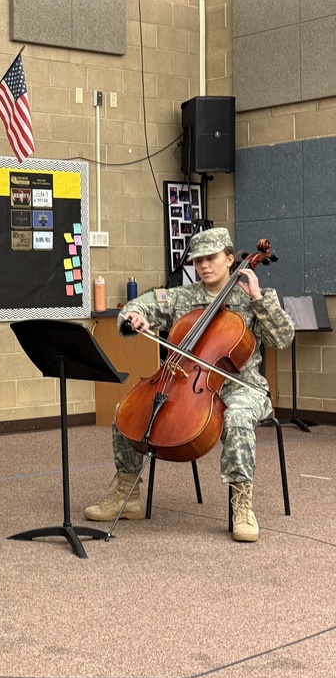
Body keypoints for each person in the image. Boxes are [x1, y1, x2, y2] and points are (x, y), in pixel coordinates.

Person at [84, 227, 294, 542]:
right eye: (198, 261)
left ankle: (242, 505)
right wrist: (133, 318)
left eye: (211, 258)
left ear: (228, 257)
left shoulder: (256, 298)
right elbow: (136, 307)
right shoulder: (183, 296)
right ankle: (127, 496)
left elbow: (283, 338)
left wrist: (258, 299)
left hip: (242, 386)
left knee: (237, 418)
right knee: (127, 412)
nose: (204, 266)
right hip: (186, 382)